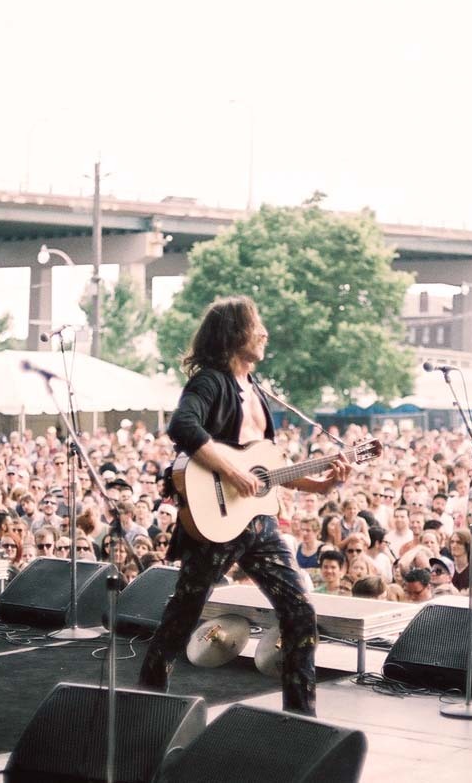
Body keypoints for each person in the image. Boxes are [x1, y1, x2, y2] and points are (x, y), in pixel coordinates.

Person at [137, 297, 351, 716]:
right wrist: (232, 473)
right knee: (185, 612)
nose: (265, 334)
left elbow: (268, 471)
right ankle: (146, 699)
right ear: (236, 334)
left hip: (258, 523)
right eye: (258, 326)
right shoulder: (211, 382)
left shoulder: (257, 390)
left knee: (300, 609)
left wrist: (322, 486)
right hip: (213, 522)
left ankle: (300, 714)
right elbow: (182, 426)